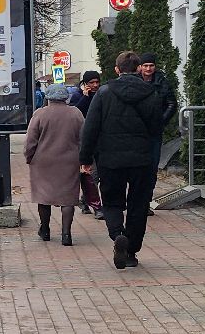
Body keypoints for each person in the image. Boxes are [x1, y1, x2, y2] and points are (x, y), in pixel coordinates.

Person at [79, 52, 171, 269]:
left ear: (117, 69)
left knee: (111, 201)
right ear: (139, 68)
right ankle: (131, 251)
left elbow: (90, 128)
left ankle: (117, 234)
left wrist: (85, 158)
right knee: (139, 205)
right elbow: (157, 127)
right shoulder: (151, 93)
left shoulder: (103, 93)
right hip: (142, 159)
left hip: (110, 158)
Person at [22, 83, 86, 246]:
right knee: (68, 198)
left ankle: (45, 229)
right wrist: (84, 158)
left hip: (43, 162)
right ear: (66, 97)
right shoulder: (76, 114)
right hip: (69, 161)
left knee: (44, 197)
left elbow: (31, 140)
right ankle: (66, 234)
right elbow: (83, 138)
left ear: (48, 97)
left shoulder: (40, 114)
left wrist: (29, 156)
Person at [73, 71, 104, 215]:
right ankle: (96, 206)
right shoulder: (78, 96)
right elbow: (76, 112)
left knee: (95, 173)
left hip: (101, 139)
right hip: (84, 139)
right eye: (92, 82)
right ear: (85, 84)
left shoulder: (102, 94)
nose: (95, 85)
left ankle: (85, 200)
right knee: (92, 173)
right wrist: (85, 97)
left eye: (97, 82)